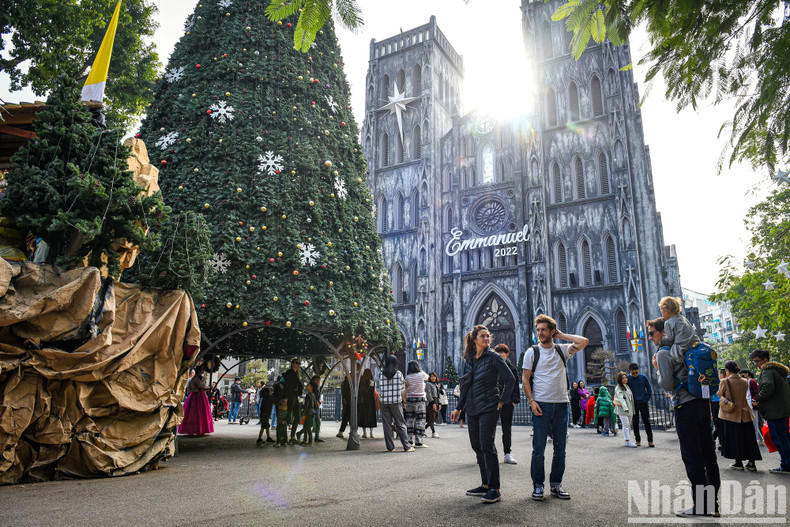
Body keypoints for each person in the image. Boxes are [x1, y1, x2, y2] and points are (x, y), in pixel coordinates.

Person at [650, 317, 720, 517]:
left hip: (684, 406)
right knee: (708, 454)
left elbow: (666, 384)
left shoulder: (663, 354)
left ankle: (700, 506)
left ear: (664, 333)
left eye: (652, 333)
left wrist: (657, 370)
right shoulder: (688, 348)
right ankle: (712, 504)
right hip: (702, 404)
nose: (650, 337)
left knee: (692, 457)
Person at [522, 314, 589, 501]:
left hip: (561, 404)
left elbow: (584, 341)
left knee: (560, 449)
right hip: (541, 405)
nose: (540, 333)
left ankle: (556, 485)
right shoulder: (531, 352)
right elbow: (525, 379)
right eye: (538, 330)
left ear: (552, 332)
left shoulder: (563, 350)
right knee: (539, 449)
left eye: (544, 330)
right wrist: (532, 401)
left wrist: (561, 335)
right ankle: (538, 486)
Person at [451, 325, 516, 504]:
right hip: (472, 408)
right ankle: (485, 485)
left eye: (488, 336)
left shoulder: (493, 357)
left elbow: (510, 379)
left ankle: (495, 488)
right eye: (483, 336)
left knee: (487, 446)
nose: (487, 339)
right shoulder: (470, 360)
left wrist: (502, 400)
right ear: (474, 339)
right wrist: (458, 408)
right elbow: (466, 387)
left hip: (489, 407)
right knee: (477, 445)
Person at [751, 348, 790, 475]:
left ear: (765, 360)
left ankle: (786, 464)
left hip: (775, 411)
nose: (756, 364)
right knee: (784, 437)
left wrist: (758, 398)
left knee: (779, 438)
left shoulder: (767, 371)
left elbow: (768, 387)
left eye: (757, 361)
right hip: (782, 409)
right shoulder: (778, 371)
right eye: (754, 362)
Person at [717, 360, 762, 471]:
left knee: (735, 439)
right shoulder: (744, 381)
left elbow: (719, 394)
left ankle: (738, 462)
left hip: (731, 414)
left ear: (727, 370)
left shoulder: (725, 381)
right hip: (745, 413)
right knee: (749, 439)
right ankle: (751, 462)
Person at [377, 354, 414, 452]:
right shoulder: (399, 374)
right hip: (396, 402)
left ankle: (390, 447)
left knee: (387, 424)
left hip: (384, 402)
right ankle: (406, 446)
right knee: (400, 423)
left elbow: (380, 386)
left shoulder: (381, 374)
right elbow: (402, 388)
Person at [495, 343, 520, 465]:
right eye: (498, 353)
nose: (500, 355)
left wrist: (514, 401)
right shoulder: (493, 367)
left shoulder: (512, 368)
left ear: (507, 354)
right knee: (489, 429)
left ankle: (507, 453)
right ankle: (489, 454)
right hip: (494, 402)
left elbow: (515, 387)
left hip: (508, 402)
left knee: (507, 428)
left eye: (502, 353)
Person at [659, 296, 699, 364]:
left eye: (661, 311)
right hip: (693, 343)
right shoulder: (683, 318)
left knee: (662, 343)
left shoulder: (668, 322)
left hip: (681, 347)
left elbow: (669, 338)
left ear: (666, 311)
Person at [178, 366, 214, 436]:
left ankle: (202, 429)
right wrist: (197, 389)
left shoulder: (203, 378)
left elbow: (204, 386)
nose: (202, 371)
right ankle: (193, 429)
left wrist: (206, 388)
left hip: (202, 396)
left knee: (203, 412)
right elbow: (189, 389)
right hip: (195, 396)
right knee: (193, 412)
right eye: (201, 370)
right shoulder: (193, 379)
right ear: (198, 371)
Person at [628, 363, 654, 447]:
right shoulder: (628, 379)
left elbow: (649, 389)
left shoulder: (643, 377)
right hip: (633, 403)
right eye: (633, 373)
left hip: (643, 402)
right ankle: (637, 440)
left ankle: (650, 441)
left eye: (636, 372)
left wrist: (646, 399)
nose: (635, 374)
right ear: (630, 371)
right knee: (635, 422)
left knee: (646, 421)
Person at [405, 361, 430, 447]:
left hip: (409, 399)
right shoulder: (421, 375)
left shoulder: (407, 377)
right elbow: (428, 377)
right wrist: (421, 371)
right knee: (420, 420)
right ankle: (419, 441)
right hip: (420, 399)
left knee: (409, 420)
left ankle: (409, 440)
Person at [614, 372, 638, 447]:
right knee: (626, 424)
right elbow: (621, 398)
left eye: (625, 378)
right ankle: (627, 440)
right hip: (623, 409)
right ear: (619, 379)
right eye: (623, 378)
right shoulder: (618, 387)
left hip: (629, 408)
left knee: (628, 424)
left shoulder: (627, 386)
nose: (625, 379)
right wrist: (625, 407)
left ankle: (628, 439)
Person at [740, 369, 763, 445]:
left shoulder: (752, 381)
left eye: (743, 374)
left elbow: (756, 392)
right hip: (747, 404)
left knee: (754, 423)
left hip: (752, 405)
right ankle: (760, 439)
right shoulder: (744, 382)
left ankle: (756, 440)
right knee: (753, 423)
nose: (741, 375)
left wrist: (755, 400)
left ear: (747, 374)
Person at [283, 358, 304, 443]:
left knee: (296, 416)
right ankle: (286, 436)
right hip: (291, 396)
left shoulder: (296, 373)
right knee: (288, 416)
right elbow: (288, 385)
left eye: (299, 363)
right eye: (297, 363)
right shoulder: (290, 373)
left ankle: (292, 436)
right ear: (293, 364)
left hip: (295, 396)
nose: (298, 365)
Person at [358, 368, 378, 438]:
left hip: (363, 402)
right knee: (371, 417)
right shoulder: (372, 382)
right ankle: (371, 433)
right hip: (371, 402)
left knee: (364, 418)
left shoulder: (361, 381)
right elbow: (373, 392)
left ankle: (364, 433)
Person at [425, 372, 442, 438]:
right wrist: (433, 403)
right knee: (431, 417)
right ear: (429, 377)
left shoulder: (435, 384)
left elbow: (438, 395)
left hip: (436, 401)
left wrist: (439, 403)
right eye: (431, 376)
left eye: (434, 376)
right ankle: (433, 432)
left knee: (434, 417)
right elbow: (428, 394)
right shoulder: (428, 384)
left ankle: (423, 430)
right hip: (430, 403)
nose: (433, 378)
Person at [273, 375, 288, 447]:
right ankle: (284, 441)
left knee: (279, 424)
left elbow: (274, 395)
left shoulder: (277, 385)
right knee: (284, 424)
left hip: (279, 406)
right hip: (285, 407)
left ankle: (279, 441)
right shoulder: (288, 385)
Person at [310, 375, 325, 442]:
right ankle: (300, 434)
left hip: (316, 408)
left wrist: (318, 402)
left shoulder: (317, 389)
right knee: (311, 423)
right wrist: (317, 402)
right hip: (313, 408)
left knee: (317, 423)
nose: (318, 382)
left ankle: (317, 436)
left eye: (319, 381)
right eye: (317, 380)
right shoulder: (312, 389)